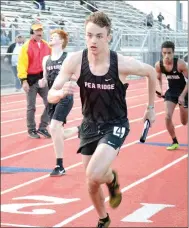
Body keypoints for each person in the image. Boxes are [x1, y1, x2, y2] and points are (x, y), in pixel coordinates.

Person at [48, 12, 156, 227]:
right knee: (92, 183)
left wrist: (150, 108)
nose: (93, 41)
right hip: (89, 124)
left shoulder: (122, 63)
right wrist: (60, 94)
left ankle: (112, 179)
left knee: (94, 172)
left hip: (115, 124)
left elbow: (151, 72)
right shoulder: (75, 61)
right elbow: (51, 94)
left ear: (109, 36)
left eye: (99, 36)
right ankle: (103, 218)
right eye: (89, 35)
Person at [38, 29, 78, 176]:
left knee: (54, 127)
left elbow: (76, 75)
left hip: (65, 96)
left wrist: (73, 81)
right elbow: (44, 77)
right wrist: (41, 82)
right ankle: (79, 130)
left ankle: (59, 165)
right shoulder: (45, 60)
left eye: (54, 37)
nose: (51, 38)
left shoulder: (68, 57)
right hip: (52, 96)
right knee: (55, 131)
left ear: (61, 41)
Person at [17, 23, 51, 139]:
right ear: (32, 33)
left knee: (50, 103)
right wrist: (23, 80)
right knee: (31, 106)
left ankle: (43, 127)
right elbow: (21, 65)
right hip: (31, 80)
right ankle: (31, 129)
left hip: (43, 79)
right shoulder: (26, 46)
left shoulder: (47, 45)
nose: (39, 32)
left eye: (41, 30)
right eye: (37, 31)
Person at [155, 41, 188, 150]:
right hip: (171, 92)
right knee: (167, 116)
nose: (167, 56)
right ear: (161, 52)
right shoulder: (159, 65)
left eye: (169, 53)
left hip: (184, 91)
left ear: (173, 53)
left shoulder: (180, 64)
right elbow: (158, 78)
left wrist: (183, 96)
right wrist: (159, 90)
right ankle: (174, 141)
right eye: (164, 53)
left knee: (184, 122)